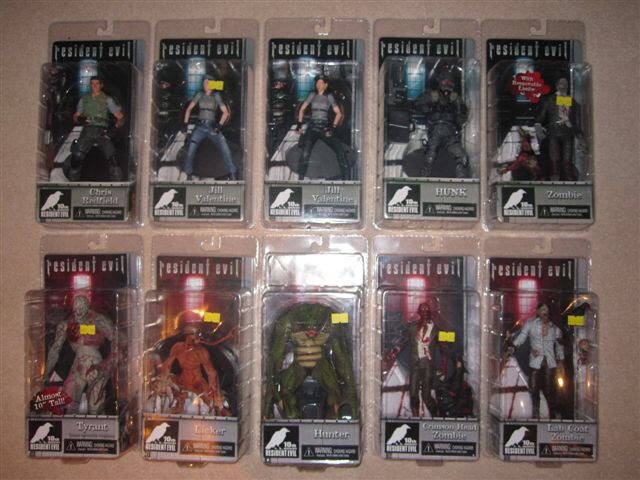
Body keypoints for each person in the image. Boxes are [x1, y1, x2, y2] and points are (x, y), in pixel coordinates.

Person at [44, 295, 115, 414]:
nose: (78, 312)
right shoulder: (66, 324)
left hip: (95, 364)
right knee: (69, 401)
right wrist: (46, 372)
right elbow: (55, 350)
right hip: (78, 364)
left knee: (95, 406)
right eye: (76, 309)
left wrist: (108, 363)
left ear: (87, 307)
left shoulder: (98, 320)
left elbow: (116, 338)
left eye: (81, 308)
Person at [508, 302, 565, 419]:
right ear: (538, 311)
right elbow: (522, 337)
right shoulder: (531, 324)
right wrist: (513, 346)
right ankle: (535, 413)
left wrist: (561, 361)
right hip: (535, 361)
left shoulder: (555, 328)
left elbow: (559, 346)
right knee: (534, 388)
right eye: (543, 309)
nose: (545, 312)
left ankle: (552, 413)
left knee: (550, 389)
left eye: (547, 310)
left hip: (550, 361)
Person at [387, 302, 443, 417]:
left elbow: (445, 345)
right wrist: (396, 350)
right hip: (415, 363)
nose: (425, 312)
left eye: (427, 310)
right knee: (413, 394)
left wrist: (446, 362)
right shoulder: (413, 327)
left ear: (430, 312)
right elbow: (404, 340)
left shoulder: (436, 329)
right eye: (422, 310)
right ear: (419, 312)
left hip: (428, 364)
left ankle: (436, 416)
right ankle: (416, 417)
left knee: (426, 395)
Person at [67, 76, 125, 181]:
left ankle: (117, 182)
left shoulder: (107, 100)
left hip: (101, 131)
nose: (94, 86)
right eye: (92, 83)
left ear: (101, 85)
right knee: (76, 158)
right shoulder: (84, 99)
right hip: (88, 130)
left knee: (113, 158)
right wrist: (79, 119)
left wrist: (112, 131)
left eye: (97, 83)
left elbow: (120, 118)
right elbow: (75, 116)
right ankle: (72, 181)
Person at [296, 74, 350, 180]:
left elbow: (339, 113)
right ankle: (300, 178)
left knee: (340, 150)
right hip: (313, 127)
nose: (319, 85)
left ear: (326, 85)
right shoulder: (312, 94)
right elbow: (302, 109)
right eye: (317, 83)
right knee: (305, 153)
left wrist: (332, 127)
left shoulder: (329, 96)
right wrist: (299, 125)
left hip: (325, 127)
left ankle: (346, 177)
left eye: (321, 83)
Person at [183, 75, 237, 180]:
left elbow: (225, 112)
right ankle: (188, 174)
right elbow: (189, 109)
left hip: (212, 126)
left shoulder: (216, 95)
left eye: (208, 83)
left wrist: (219, 126)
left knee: (225, 149)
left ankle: (232, 173)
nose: (206, 85)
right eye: (204, 82)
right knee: (191, 150)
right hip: (200, 126)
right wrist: (185, 124)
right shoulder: (199, 94)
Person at [534, 77, 585, 181]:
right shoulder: (550, 100)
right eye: (561, 83)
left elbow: (576, 120)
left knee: (567, 158)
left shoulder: (572, 102)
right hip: (554, 132)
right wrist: (538, 125)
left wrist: (580, 137)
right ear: (557, 86)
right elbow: (542, 114)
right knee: (554, 157)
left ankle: (569, 178)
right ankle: (555, 177)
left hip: (568, 132)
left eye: (566, 84)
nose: (564, 86)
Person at [420, 72, 469, 178]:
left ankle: (462, 180)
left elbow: (462, 115)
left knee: (462, 157)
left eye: (450, 83)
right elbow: (420, 106)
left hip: (450, 133)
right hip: (435, 131)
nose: (447, 86)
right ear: (440, 83)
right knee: (430, 156)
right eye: (445, 82)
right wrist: (429, 104)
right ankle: (424, 176)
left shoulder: (455, 98)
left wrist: (458, 120)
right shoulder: (432, 95)